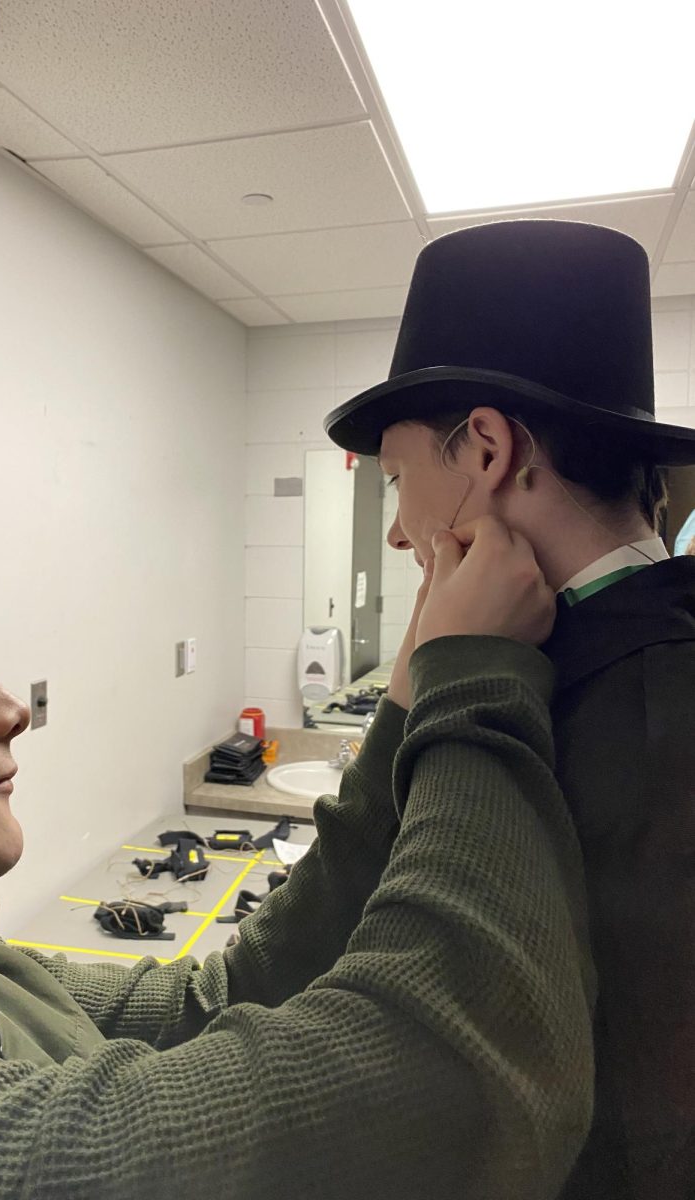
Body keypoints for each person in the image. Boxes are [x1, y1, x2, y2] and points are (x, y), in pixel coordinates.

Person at [0, 472, 592, 1199]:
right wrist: (478, 682)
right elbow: (439, 1101)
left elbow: (218, 1001)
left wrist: (410, 699)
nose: (10, 709)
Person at [325, 217, 695, 1200]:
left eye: (398, 483)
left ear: (486, 449)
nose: (401, 534)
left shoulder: (634, 718)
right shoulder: (632, 658)